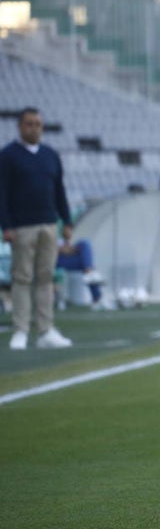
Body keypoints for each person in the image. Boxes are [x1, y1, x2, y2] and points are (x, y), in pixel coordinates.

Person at [0, 108, 74, 349]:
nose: (34, 128)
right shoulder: (8, 156)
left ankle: (46, 329)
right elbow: (2, 193)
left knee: (45, 278)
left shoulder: (51, 155)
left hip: (48, 223)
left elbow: (59, 190)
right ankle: (21, 329)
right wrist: (6, 225)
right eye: (30, 124)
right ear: (20, 126)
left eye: (38, 124)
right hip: (22, 225)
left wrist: (67, 220)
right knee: (22, 278)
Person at [55, 237, 108, 309]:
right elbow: (58, 250)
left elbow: (67, 249)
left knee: (85, 247)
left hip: (65, 257)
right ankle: (97, 298)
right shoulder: (51, 234)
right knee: (85, 247)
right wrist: (69, 249)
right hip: (56, 260)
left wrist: (69, 249)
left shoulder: (61, 238)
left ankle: (89, 271)